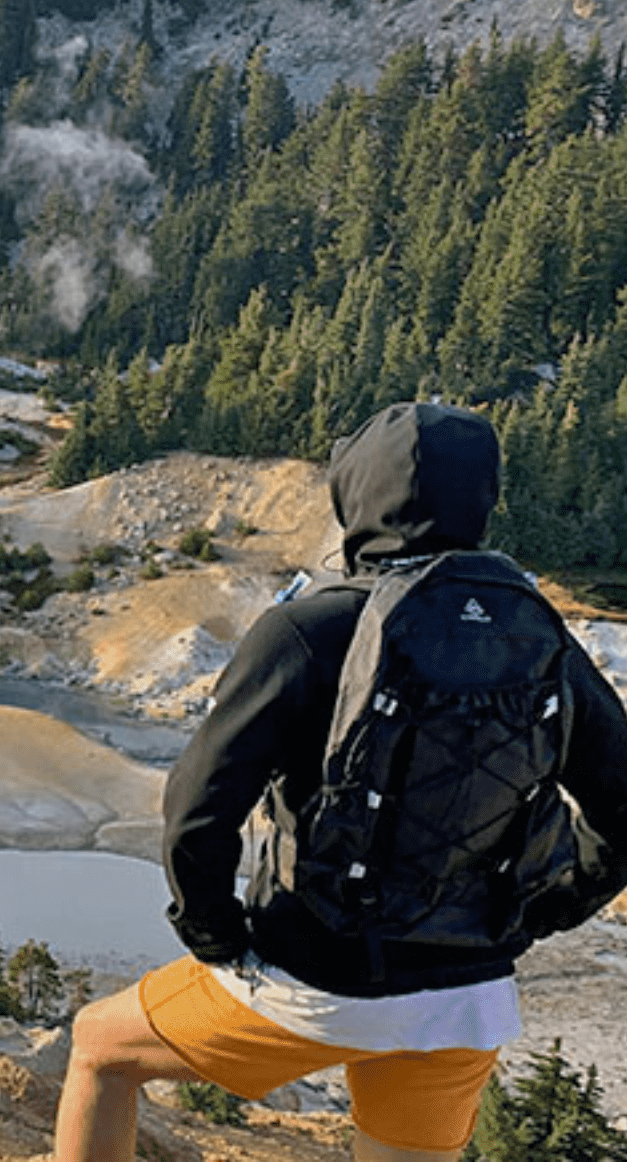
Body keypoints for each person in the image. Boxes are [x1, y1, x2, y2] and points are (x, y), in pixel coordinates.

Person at [51, 401, 627, 1162]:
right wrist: (546, 907)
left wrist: (216, 934)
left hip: (316, 975)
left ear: (353, 496)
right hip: (464, 996)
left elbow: (196, 808)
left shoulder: (305, 629)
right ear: (483, 500)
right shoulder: (537, 629)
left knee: (99, 1048)